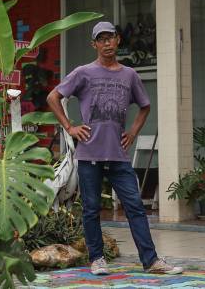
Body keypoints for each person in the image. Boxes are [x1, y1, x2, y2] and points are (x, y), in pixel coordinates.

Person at [47, 21, 183, 276]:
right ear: (94, 44)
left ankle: (151, 260)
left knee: (134, 207)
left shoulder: (129, 75)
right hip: (89, 154)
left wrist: (132, 132)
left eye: (111, 38)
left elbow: (145, 105)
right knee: (90, 209)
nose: (107, 43)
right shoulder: (83, 72)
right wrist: (70, 127)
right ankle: (97, 258)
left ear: (118, 40)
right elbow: (53, 97)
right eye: (102, 39)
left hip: (119, 155)